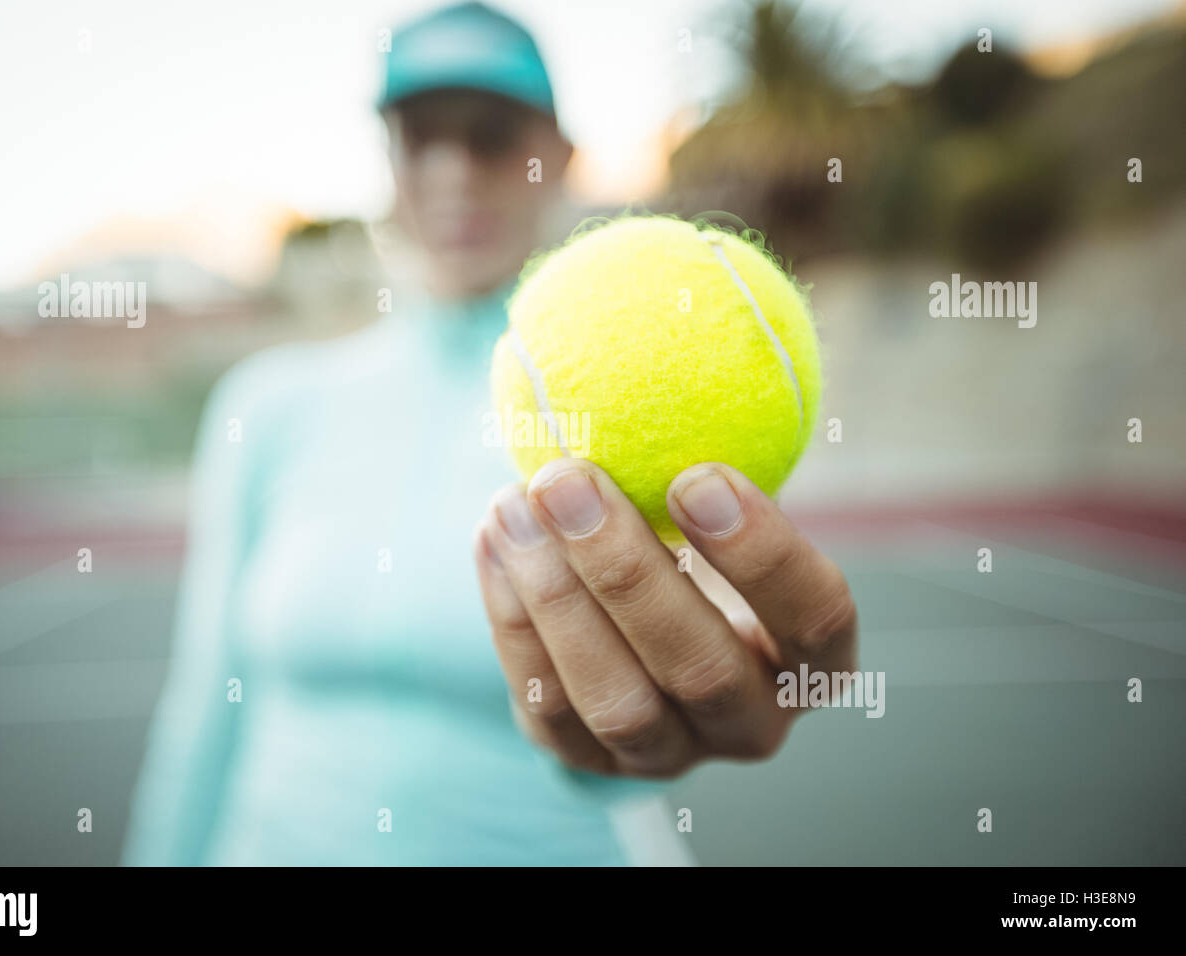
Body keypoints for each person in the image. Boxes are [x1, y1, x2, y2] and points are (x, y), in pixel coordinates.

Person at [122, 1, 856, 866]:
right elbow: (206, 707)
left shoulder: (635, 427)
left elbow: (625, 743)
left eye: (492, 136)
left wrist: (631, 747)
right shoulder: (267, 405)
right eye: (418, 137)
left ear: (560, 158)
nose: (451, 172)